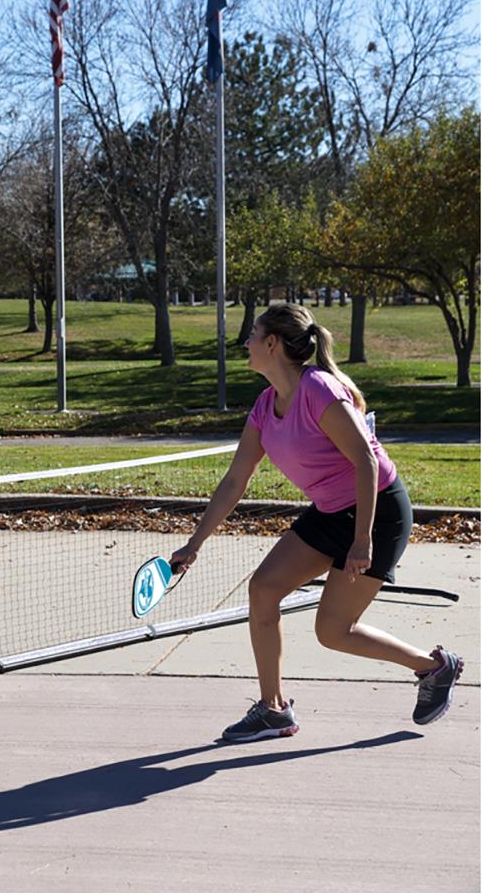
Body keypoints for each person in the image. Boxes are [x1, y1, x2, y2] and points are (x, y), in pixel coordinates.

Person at [170, 303, 462, 742]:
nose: (246, 342)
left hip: (377, 511)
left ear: (272, 343)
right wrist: (194, 544)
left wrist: (361, 541)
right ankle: (273, 710)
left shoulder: (319, 390)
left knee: (332, 632)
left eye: (253, 333)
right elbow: (234, 481)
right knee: (264, 588)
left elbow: (365, 460)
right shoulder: (266, 406)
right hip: (330, 511)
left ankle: (434, 667)